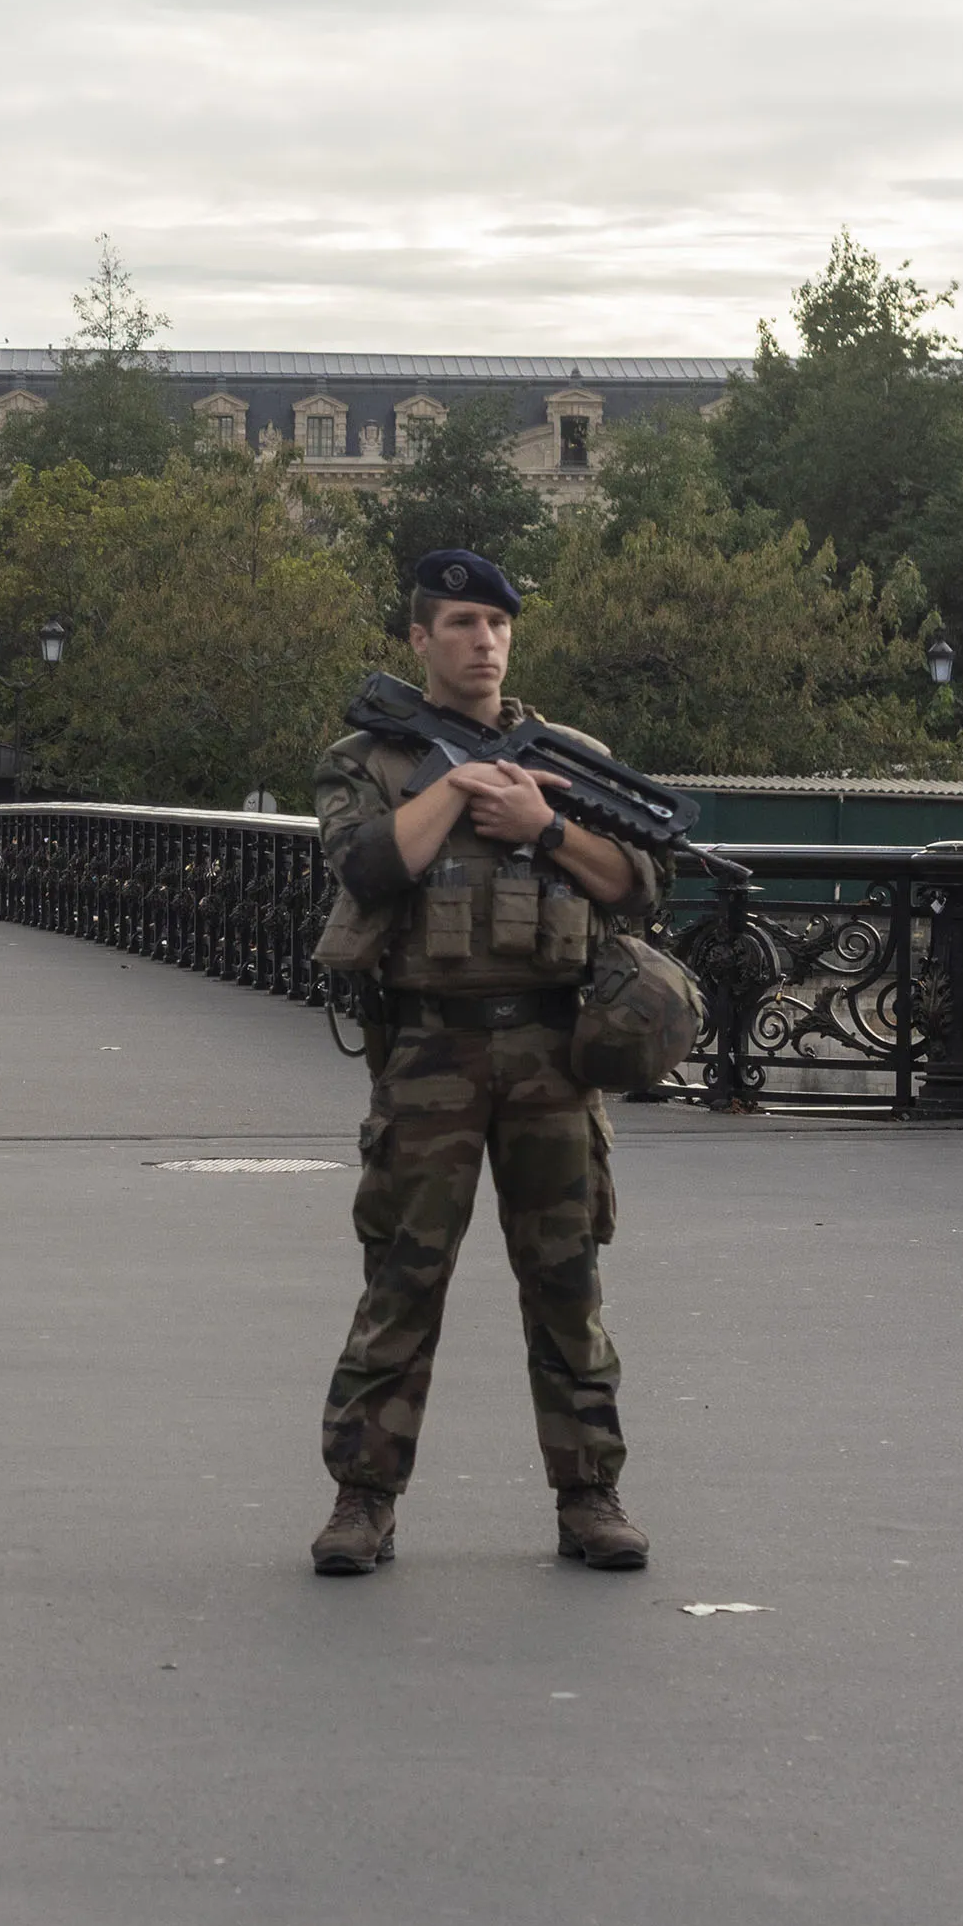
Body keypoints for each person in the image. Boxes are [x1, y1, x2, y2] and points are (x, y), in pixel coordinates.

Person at [306, 550, 655, 1580]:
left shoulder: (569, 756)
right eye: (459, 624)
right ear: (419, 640)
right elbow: (367, 868)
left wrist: (542, 826)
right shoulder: (368, 759)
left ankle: (589, 1494)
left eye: (496, 625)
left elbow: (633, 886)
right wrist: (457, 790)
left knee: (565, 1281)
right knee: (402, 1282)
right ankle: (362, 1499)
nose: (482, 641)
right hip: (429, 1048)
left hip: (557, 1045)